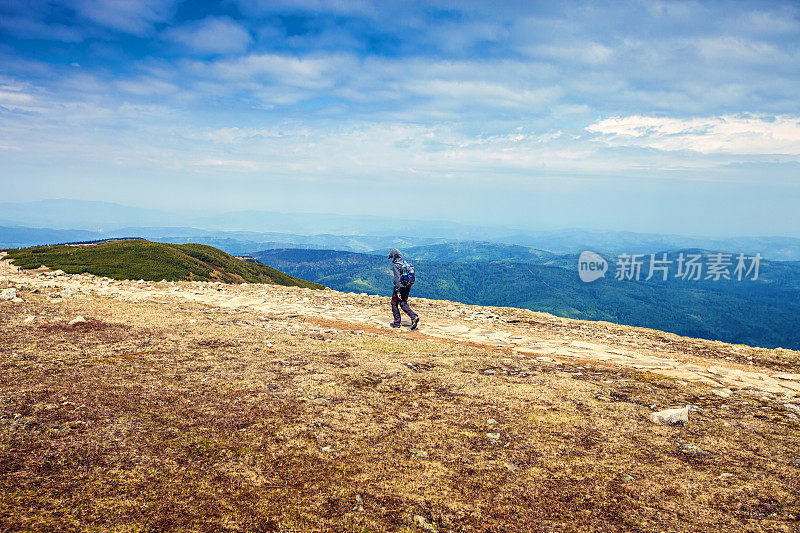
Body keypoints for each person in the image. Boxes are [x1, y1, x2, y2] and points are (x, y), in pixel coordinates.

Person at [388, 248, 419, 330]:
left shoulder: (396, 265)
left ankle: (397, 323)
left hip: (400, 287)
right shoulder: (404, 263)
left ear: (394, 257)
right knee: (403, 303)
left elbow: (397, 279)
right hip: (407, 286)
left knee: (394, 303)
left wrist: (398, 291)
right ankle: (414, 316)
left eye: (392, 257)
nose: (392, 259)